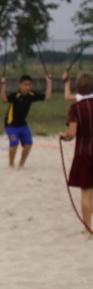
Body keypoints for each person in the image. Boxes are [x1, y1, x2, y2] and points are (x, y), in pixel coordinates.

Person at [59, 72, 93, 238]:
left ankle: (88, 230)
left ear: (78, 88)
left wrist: (64, 135)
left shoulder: (76, 108)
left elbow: (72, 133)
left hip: (85, 153)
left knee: (86, 193)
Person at [0, 72, 52, 170]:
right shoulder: (15, 96)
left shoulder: (31, 95)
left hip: (22, 124)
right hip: (11, 124)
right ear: (20, 85)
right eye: (25, 85)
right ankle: (11, 164)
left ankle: (21, 164)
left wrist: (49, 82)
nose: (27, 87)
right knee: (14, 143)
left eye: (29, 85)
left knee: (28, 143)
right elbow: (3, 99)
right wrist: (3, 85)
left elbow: (47, 97)